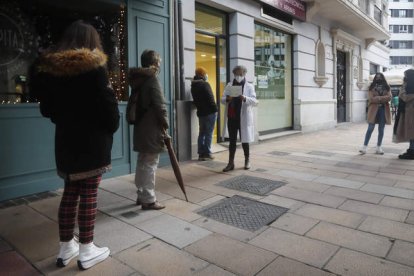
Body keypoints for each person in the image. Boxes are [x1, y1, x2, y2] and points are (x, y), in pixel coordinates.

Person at [29, 20, 119, 270]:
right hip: (92, 143)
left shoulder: (52, 71)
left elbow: (47, 110)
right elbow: (109, 113)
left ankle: (66, 246)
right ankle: (87, 249)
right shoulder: (95, 68)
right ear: (91, 42)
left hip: (66, 141)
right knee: (89, 193)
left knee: (70, 193)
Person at [128, 50, 168, 210]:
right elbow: (160, 106)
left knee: (143, 161)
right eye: (159, 62)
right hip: (152, 128)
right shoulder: (152, 80)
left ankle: (141, 194)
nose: (160, 65)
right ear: (155, 63)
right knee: (151, 163)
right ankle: (149, 199)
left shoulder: (139, 79)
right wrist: (165, 125)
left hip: (141, 127)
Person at [221, 65, 258, 172]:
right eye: (236, 74)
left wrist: (245, 98)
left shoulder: (249, 86)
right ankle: (230, 163)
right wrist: (228, 99)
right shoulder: (229, 85)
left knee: (244, 141)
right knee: (232, 141)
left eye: (240, 74)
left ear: (244, 74)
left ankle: (247, 160)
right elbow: (222, 99)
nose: (238, 76)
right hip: (232, 117)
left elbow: (255, 101)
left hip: (243, 118)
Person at [359, 72, 392, 155]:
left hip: (383, 110)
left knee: (381, 129)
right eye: (377, 77)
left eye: (380, 77)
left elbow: (390, 97)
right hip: (373, 110)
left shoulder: (387, 87)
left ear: (383, 78)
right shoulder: (371, 87)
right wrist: (382, 99)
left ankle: (378, 147)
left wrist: (377, 98)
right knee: (370, 128)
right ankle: (364, 147)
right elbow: (371, 99)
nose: (378, 78)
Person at [191, 67, 218, 161]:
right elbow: (210, 98)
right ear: (202, 75)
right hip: (210, 112)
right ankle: (207, 153)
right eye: (205, 73)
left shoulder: (193, 86)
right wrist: (215, 109)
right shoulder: (205, 84)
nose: (206, 75)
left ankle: (201, 154)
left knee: (202, 133)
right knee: (209, 133)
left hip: (201, 113)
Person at [393, 69, 414, 159]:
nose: (404, 77)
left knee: (411, 132)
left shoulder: (407, 85)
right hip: (408, 112)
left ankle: (412, 151)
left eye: (405, 75)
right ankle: (411, 149)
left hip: (410, 112)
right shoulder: (408, 85)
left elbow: (404, 97)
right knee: (411, 132)